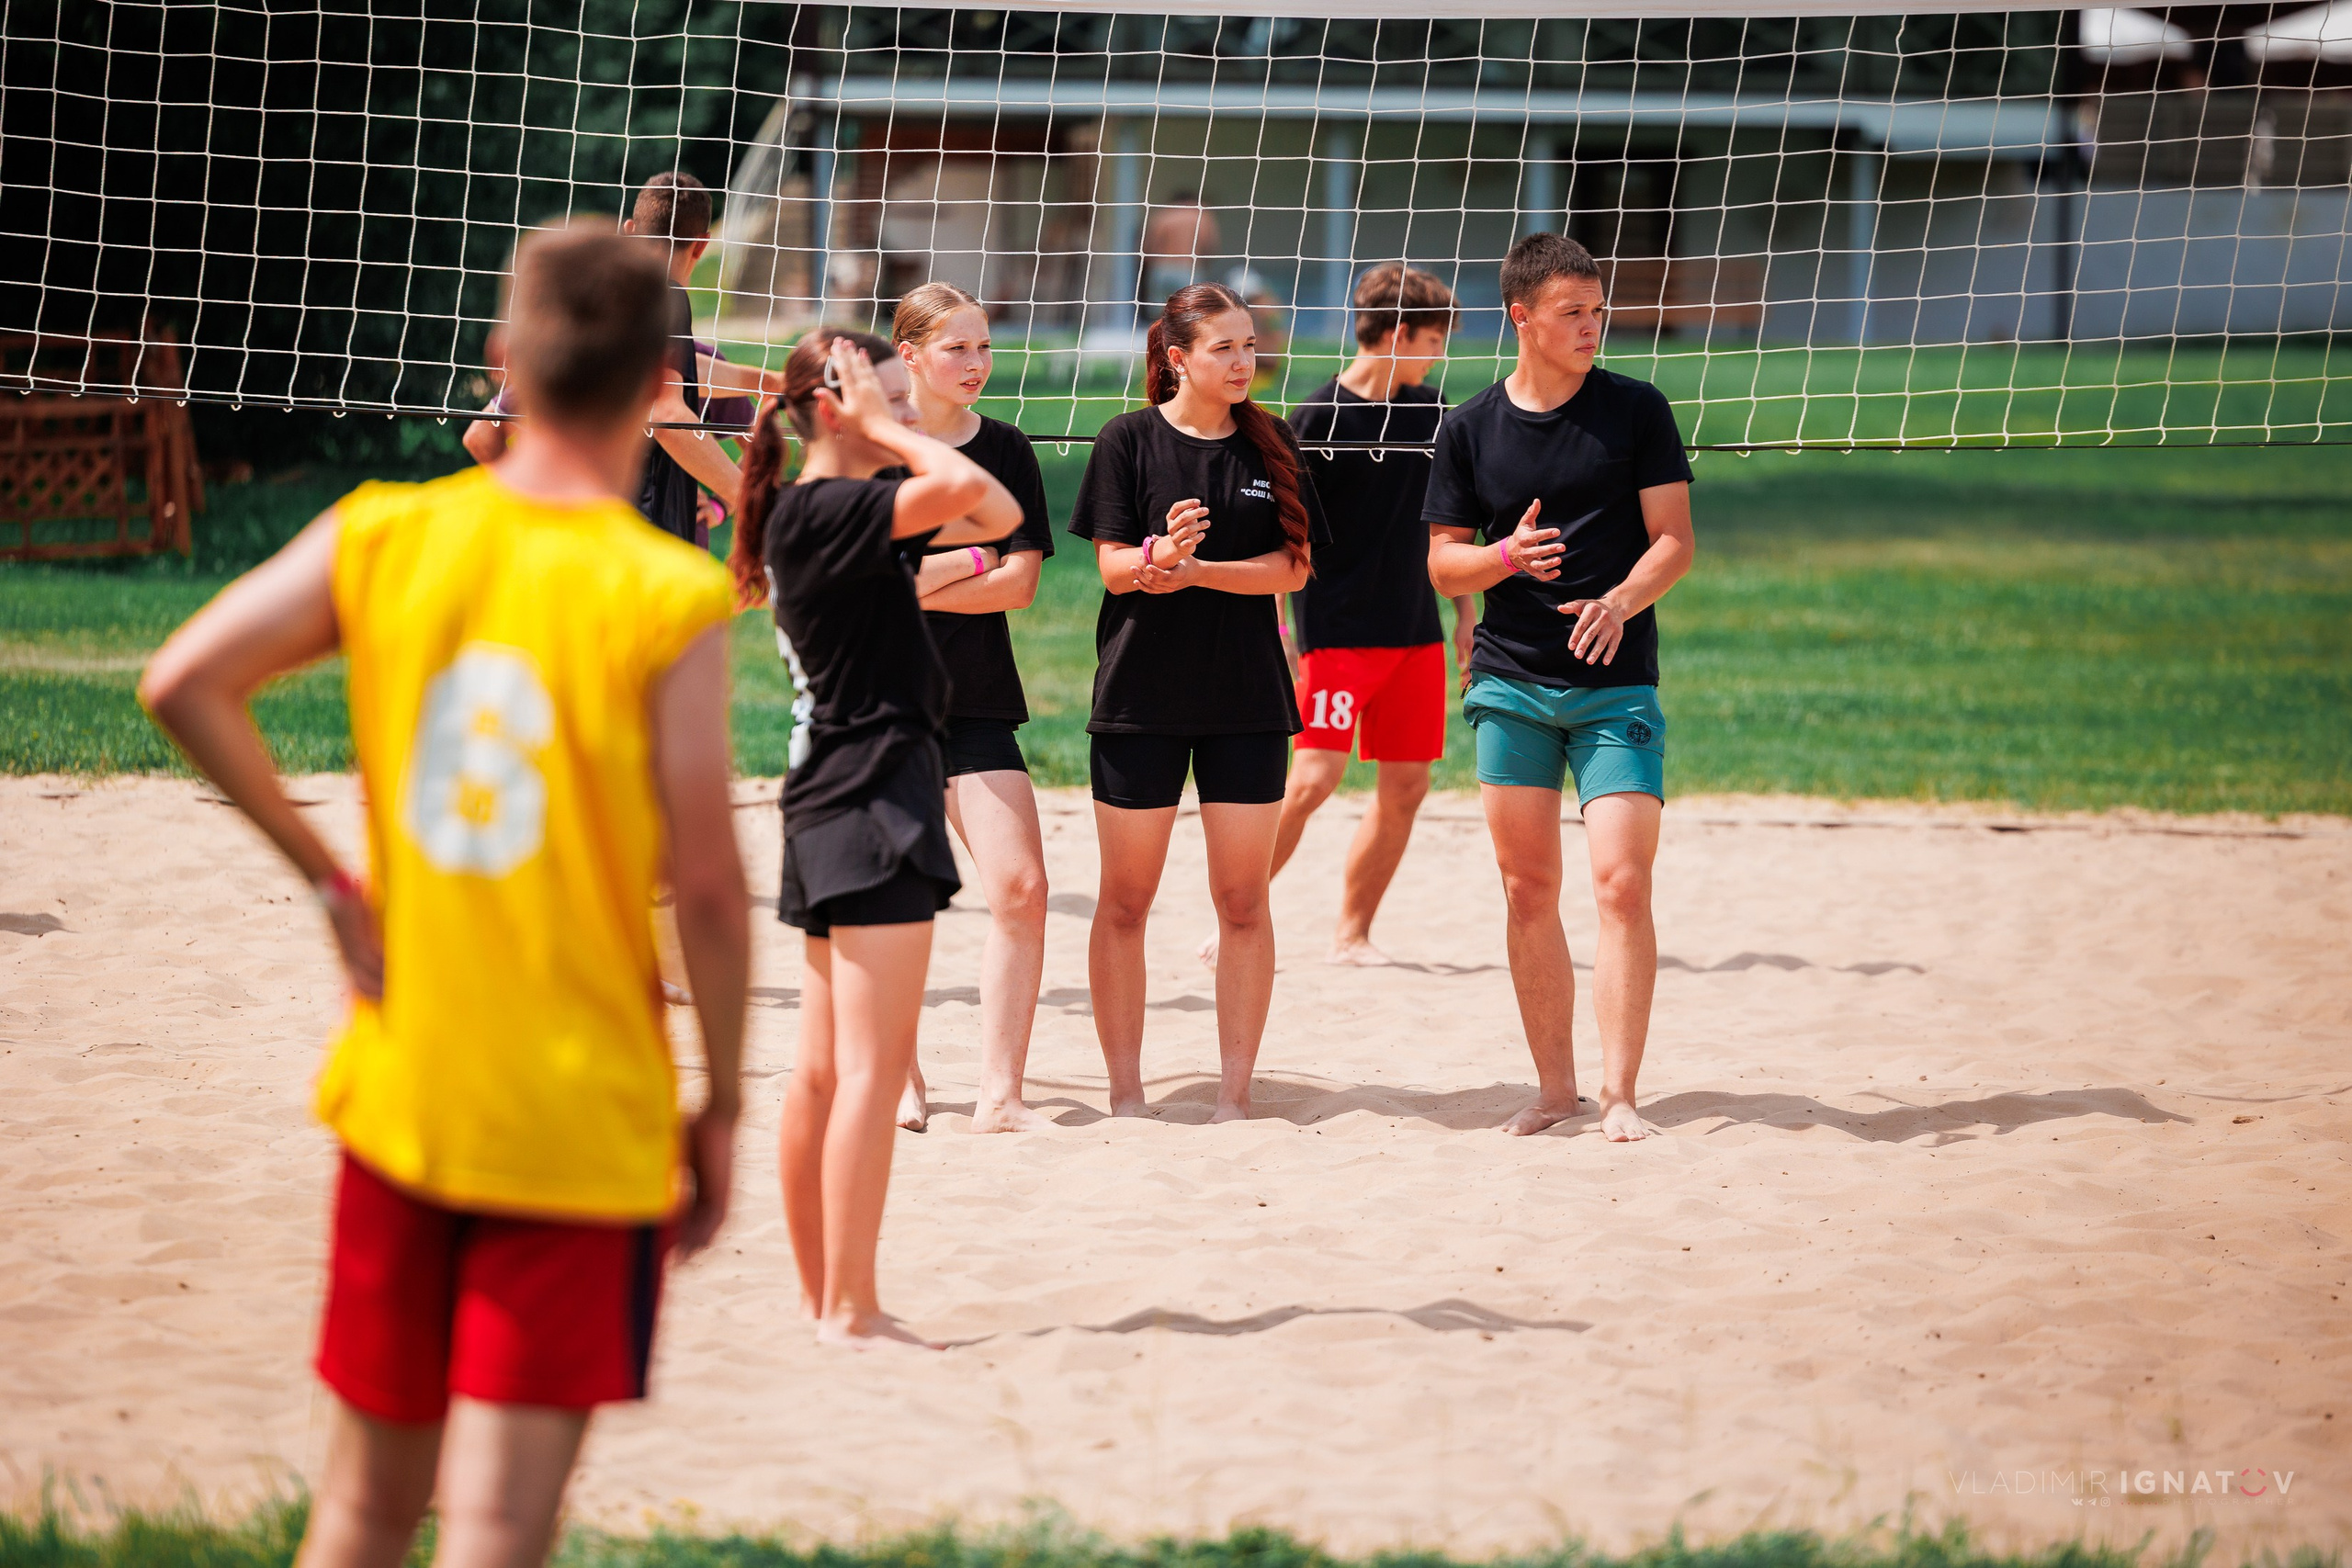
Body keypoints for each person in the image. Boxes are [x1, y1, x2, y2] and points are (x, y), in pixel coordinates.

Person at [139, 222, 749, 1567]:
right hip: (583, 1116)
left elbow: (182, 680)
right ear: (662, 376)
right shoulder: (667, 589)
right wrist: (725, 1102)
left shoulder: (388, 530)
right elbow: (707, 884)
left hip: (406, 1086)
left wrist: (329, 879)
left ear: (503, 361)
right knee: (494, 1531)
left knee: (356, 1515)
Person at [728, 329, 1021, 1347]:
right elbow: (993, 501)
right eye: (878, 392)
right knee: (865, 1069)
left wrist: (881, 424)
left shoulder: (821, 513)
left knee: (823, 1070)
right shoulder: (837, 509)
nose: (900, 410)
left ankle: (822, 1297)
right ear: (833, 409)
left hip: (831, 797)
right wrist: (895, 429)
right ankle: (850, 1304)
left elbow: (991, 514)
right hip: (873, 799)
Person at [1425, 232, 1695, 1142]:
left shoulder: (1636, 410)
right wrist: (1502, 557)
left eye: (1597, 310)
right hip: (1510, 684)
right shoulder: (1467, 427)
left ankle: (1620, 1096)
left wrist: (1620, 601)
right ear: (1522, 318)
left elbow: (1674, 541)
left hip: (1616, 688)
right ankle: (1554, 1088)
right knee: (1526, 888)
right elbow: (1442, 566)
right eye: (1571, 312)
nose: (1591, 326)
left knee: (1620, 884)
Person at [1068, 282, 1327, 1123]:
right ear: (1179, 359)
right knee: (1126, 901)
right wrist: (1155, 557)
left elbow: (1294, 570)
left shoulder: (1272, 444)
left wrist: (1201, 570)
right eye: (1226, 348)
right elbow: (1111, 568)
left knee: (1244, 901)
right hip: (1140, 696)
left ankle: (1234, 1095)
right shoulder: (1128, 440)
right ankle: (1127, 1093)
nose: (1246, 361)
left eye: (1250, 346)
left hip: (1247, 700)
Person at [1205, 263, 1475, 970]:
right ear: (1399, 334)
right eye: (1434, 339)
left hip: (1416, 630)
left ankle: (1353, 933)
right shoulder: (1315, 418)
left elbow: (1447, 528)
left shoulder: (1433, 409)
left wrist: (1466, 614)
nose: (1438, 353)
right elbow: (1279, 538)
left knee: (1407, 788)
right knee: (1313, 780)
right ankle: (1236, 914)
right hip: (1334, 630)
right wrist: (1282, 632)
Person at [891, 282, 1058, 1134]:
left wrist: (919, 580)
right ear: (909, 354)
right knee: (893, 904)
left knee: (1022, 890)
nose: (976, 363)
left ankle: (1002, 1093)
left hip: (977, 701)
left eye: (984, 346)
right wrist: (969, 561)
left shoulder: (1007, 448)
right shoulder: (871, 451)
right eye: (957, 347)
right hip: (879, 705)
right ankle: (901, 1079)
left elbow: (1021, 585)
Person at [464, 172, 775, 544]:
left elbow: (482, 434)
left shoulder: (683, 358)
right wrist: (754, 502)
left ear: (630, 230)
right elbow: (675, 415)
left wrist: (722, 501)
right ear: (702, 245)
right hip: (645, 557)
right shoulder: (602, 351)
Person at [1138, 191, 1220, 321]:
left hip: (1162, 269)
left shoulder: (1164, 215)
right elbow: (1210, 245)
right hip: (1188, 268)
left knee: (1158, 315)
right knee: (1190, 315)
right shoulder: (1200, 215)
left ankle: (1157, 341)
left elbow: (1148, 247)